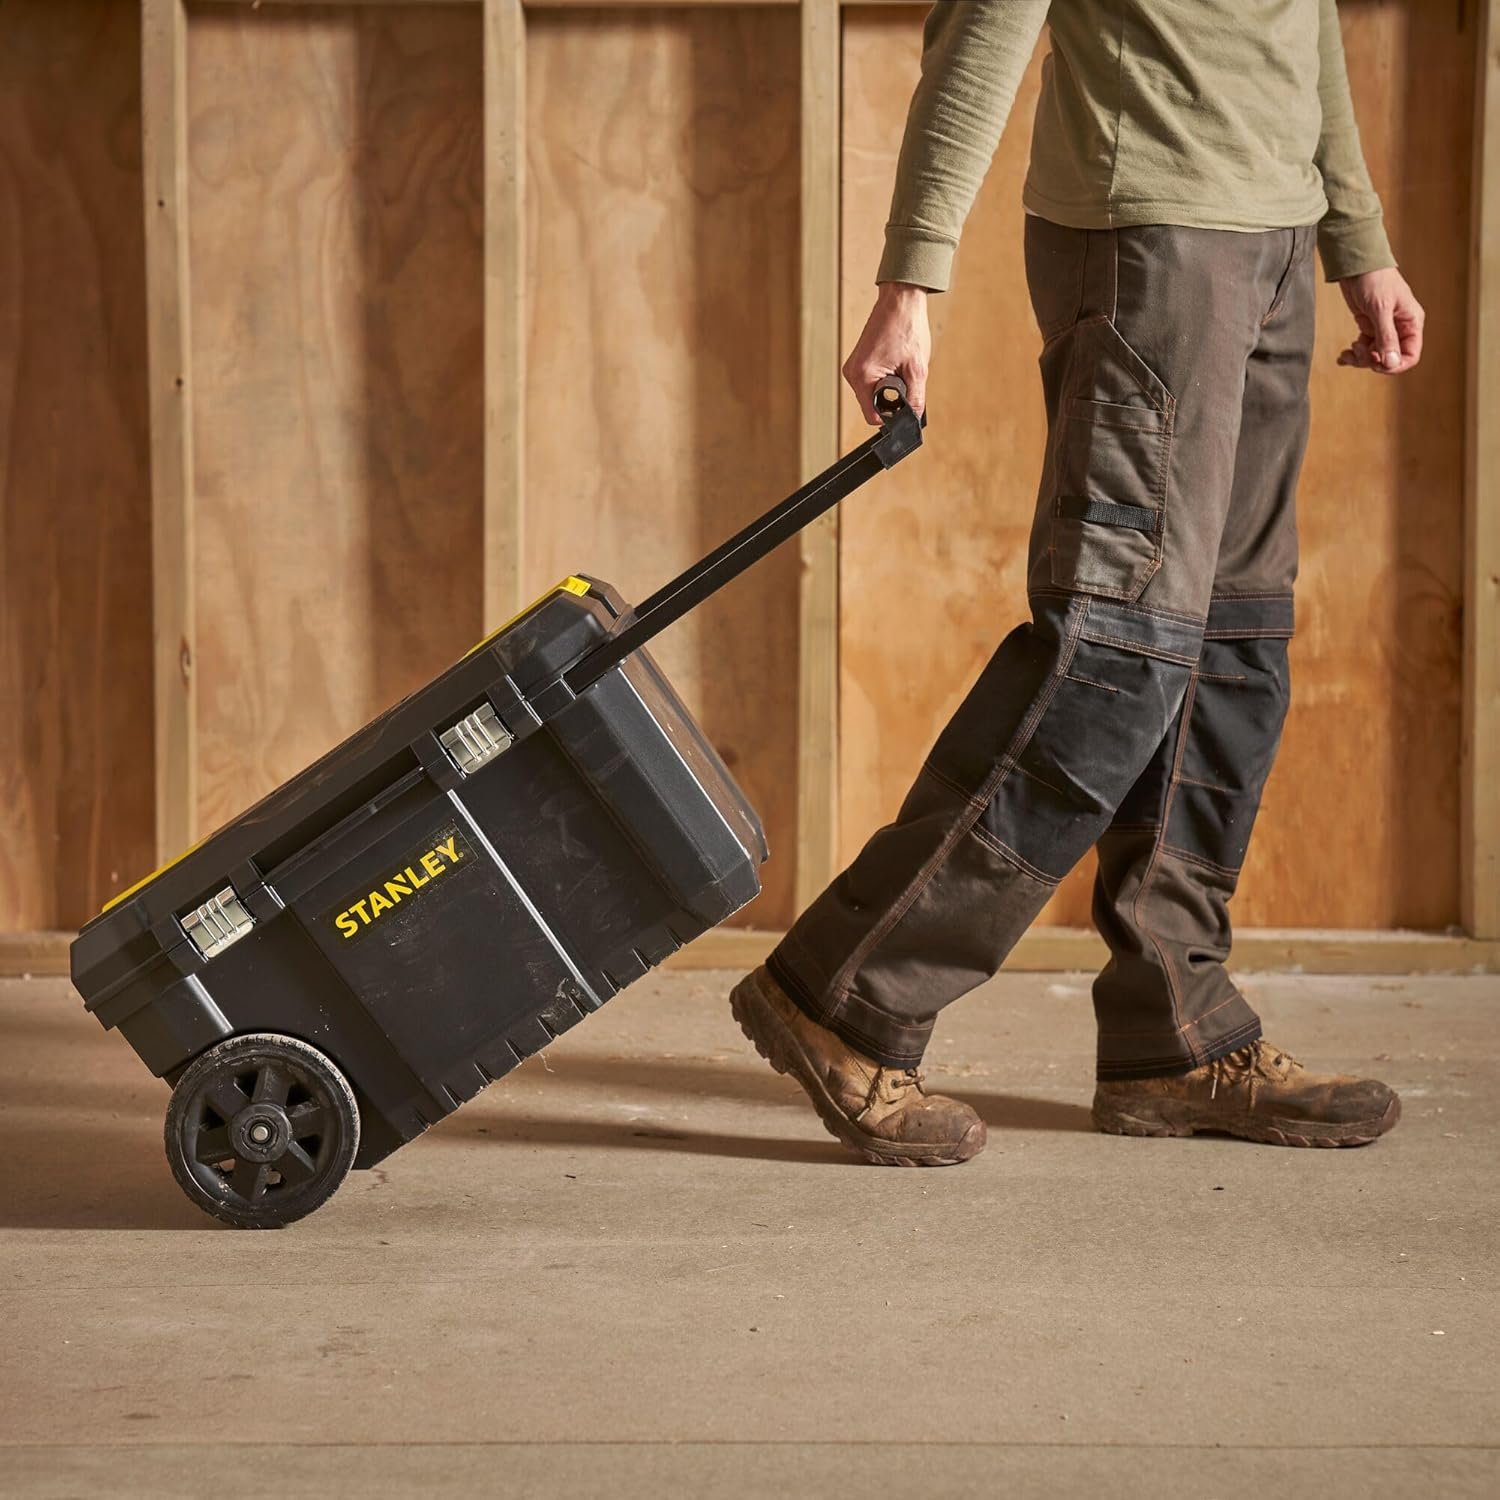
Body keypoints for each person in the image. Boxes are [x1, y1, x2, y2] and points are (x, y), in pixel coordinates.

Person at [731, 0, 1422, 1166]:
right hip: (1150, 234)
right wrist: (913, 277)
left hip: (1276, 241)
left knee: (1228, 651)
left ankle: (1174, 1031)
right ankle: (844, 992)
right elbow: (984, 26)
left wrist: (1357, 237)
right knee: (1117, 653)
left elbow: (1305, 30)